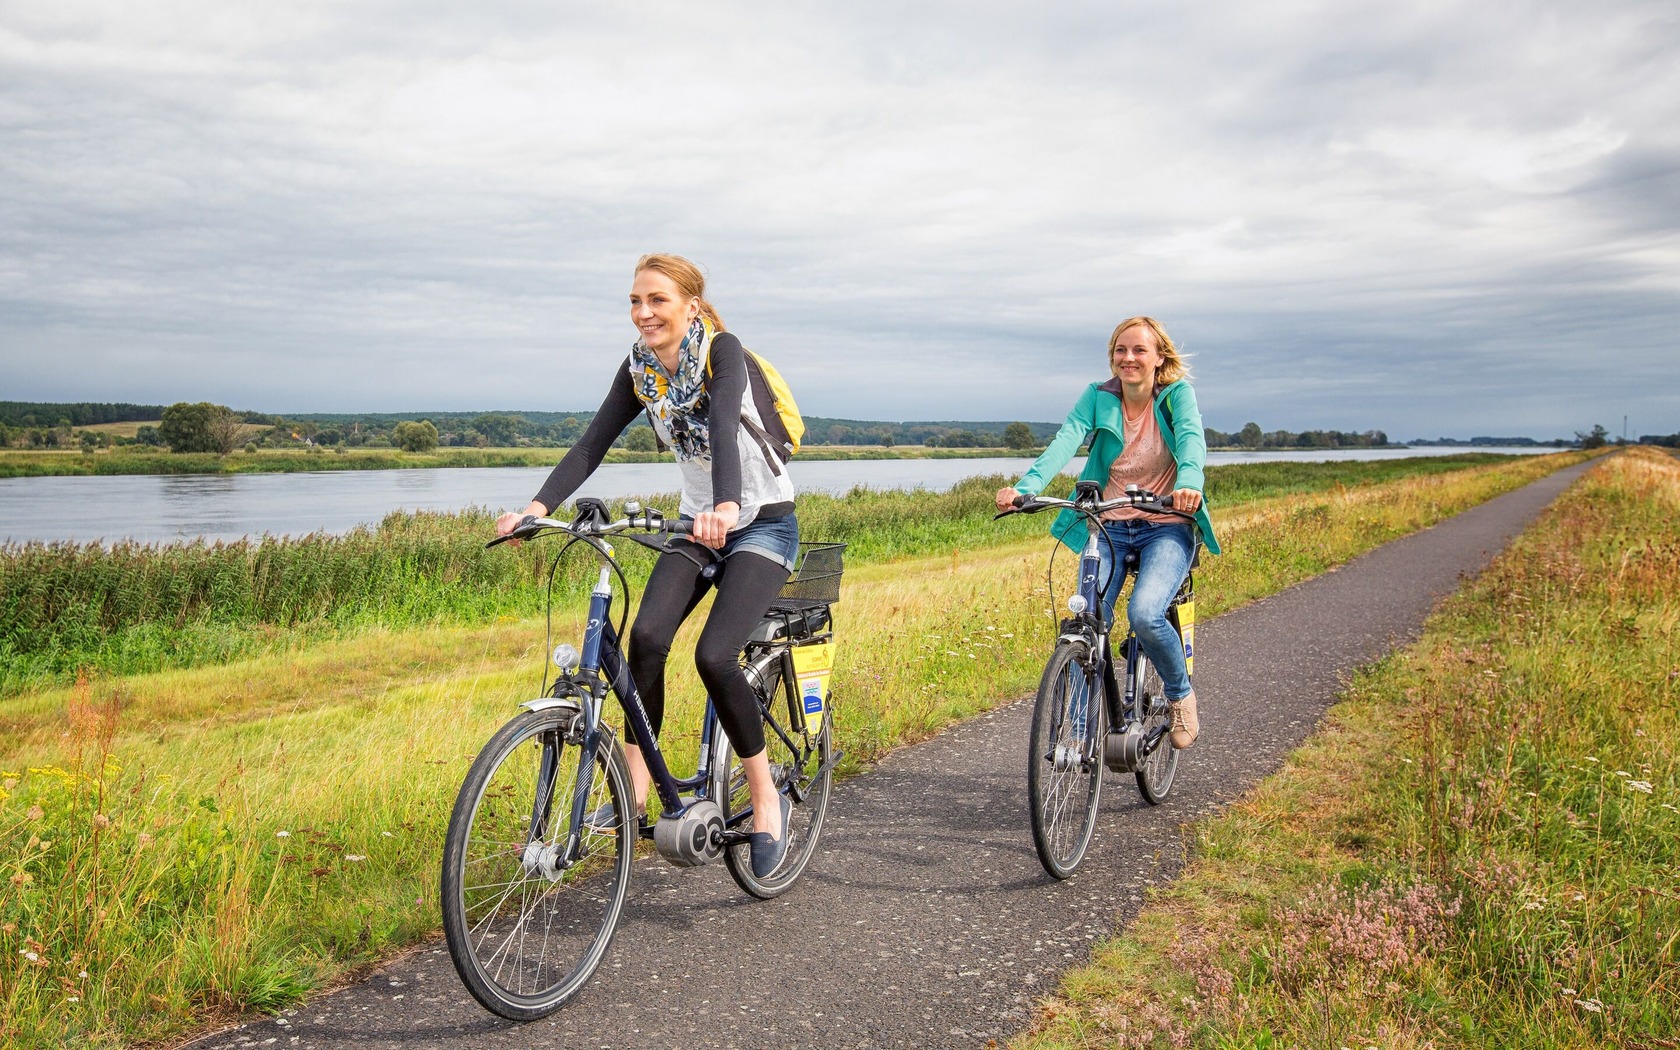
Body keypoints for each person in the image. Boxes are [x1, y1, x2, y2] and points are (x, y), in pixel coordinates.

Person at [496, 253, 799, 877]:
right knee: (647, 639)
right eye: (635, 301)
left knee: (714, 657)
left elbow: (720, 421)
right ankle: (637, 787)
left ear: (690, 305)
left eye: (657, 300)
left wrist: (726, 504)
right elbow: (592, 442)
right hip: (698, 525)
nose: (643, 313)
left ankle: (766, 797)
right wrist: (535, 506)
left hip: (761, 523)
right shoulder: (639, 370)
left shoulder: (723, 351)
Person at [995, 316, 1221, 749]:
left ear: (1159, 358)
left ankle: (1180, 696)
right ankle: (1078, 737)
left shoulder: (1176, 396)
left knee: (1146, 613)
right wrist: (1025, 489)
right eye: (1121, 350)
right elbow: (1065, 441)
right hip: (1110, 523)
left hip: (1166, 524)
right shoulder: (1097, 397)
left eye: (1139, 350)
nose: (1129, 358)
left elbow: (1192, 440)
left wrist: (1189, 483)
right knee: (1086, 623)